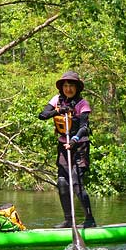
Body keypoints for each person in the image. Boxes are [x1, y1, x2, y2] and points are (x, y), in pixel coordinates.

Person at [38, 71, 96, 228]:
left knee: (76, 183)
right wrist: (58, 111)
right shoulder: (56, 100)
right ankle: (68, 220)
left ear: (77, 88)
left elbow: (84, 127)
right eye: (66, 85)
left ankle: (89, 219)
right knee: (62, 182)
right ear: (61, 87)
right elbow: (42, 115)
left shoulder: (82, 104)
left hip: (79, 146)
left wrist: (75, 140)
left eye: (71, 86)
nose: (68, 89)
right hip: (63, 147)